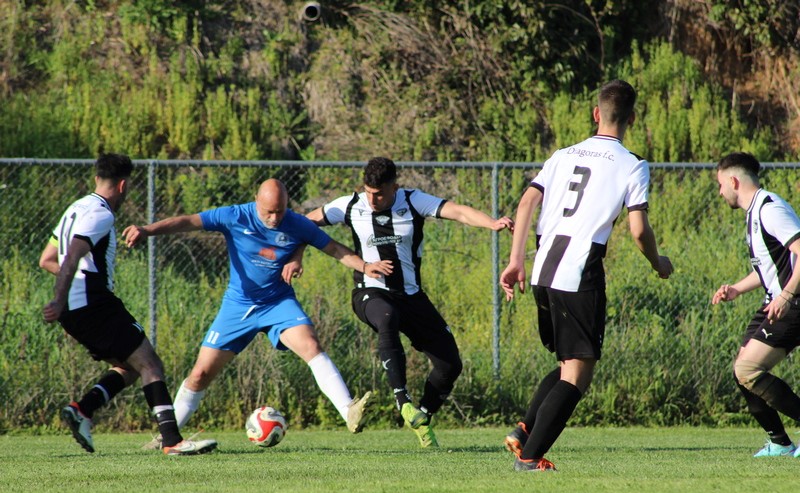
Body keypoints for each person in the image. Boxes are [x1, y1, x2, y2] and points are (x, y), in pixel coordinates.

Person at [123, 179, 390, 447]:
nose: (274, 218)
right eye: (268, 212)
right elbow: (189, 221)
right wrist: (147, 230)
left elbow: (334, 248)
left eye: (280, 211)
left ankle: (348, 410)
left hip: (278, 303)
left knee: (311, 345)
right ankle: (167, 437)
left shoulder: (297, 224)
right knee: (200, 375)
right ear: (256, 200)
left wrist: (364, 266)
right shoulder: (234, 215)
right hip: (238, 306)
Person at [500, 80, 673, 472]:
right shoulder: (632, 163)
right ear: (632, 118)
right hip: (579, 272)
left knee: (569, 363)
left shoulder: (562, 155)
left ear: (596, 113)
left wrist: (516, 260)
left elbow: (527, 202)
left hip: (544, 268)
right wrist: (657, 261)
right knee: (578, 374)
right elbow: (639, 230)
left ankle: (525, 431)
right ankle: (529, 458)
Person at [303, 157, 514, 447]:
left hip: (412, 296)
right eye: (368, 192)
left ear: (395, 187)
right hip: (370, 292)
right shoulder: (350, 205)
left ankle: (422, 417)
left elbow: (458, 211)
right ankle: (402, 401)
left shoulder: (413, 201)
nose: (373, 199)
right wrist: (294, 255)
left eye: (379, 194)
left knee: (450, 365)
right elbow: (303, 224)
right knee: (387, 316)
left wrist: (491, 223)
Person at [41, 153, 218, 456]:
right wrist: (61, 299)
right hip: (94, 305)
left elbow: (47, 259)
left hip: (77, 308)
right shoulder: (101, 214)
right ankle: (172, 441)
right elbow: (71, 258)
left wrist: (68, 298)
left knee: (130, 366)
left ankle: (83, 410)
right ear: (123, 185)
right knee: (150, 364)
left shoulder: (75, 208)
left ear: (97, 178)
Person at [711, 152, 800, 458]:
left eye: (721, 185)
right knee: (742, 370)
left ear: (734, 181)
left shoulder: (770, 209)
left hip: (793, 302)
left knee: (748, 369)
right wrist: (736, 288)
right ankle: (780, 443)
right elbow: (770, 266)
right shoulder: (754, 212)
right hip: (775, 301)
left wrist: (786, 296)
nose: (720, 192)